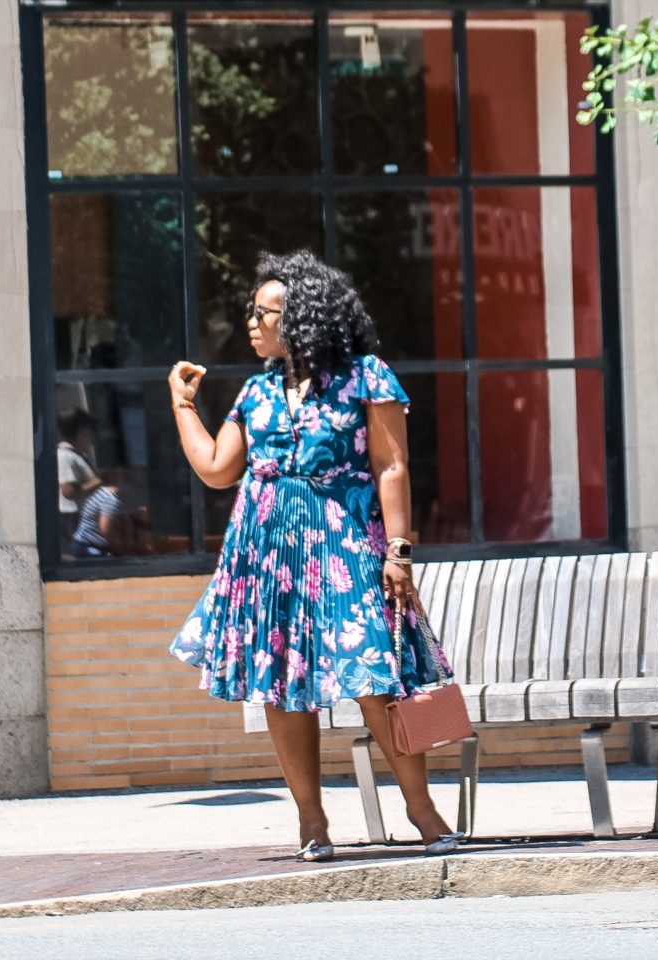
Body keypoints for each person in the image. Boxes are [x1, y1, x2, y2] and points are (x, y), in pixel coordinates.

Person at [166, 250, 459, 863]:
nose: (251, 322)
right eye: (251, 311)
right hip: (267, 554)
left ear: (304, 319)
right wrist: (183, 407)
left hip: (345, 545)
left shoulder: (366, 376)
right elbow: (219, 470)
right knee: (280, 687)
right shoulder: (256, 391)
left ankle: (423, 811)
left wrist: (399, 551)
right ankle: (311, 821)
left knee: (378, 679)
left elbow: (392, 465)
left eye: (263, 312)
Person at [56, 407, 101, 555]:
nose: (91, 436)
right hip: (70, 519)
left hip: (79, 518)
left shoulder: (76, 455)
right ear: (80, 432)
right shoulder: (65, 456)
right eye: (88, 430)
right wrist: (99, 482)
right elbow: (69, 491)